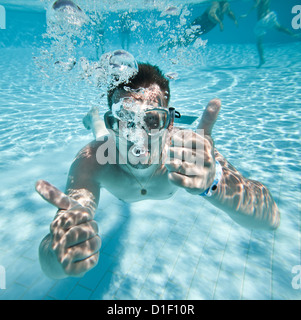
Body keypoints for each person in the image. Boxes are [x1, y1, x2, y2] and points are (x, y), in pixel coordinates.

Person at [36, 63, 280, 279]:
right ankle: (96, 119)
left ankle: (100, 119)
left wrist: (215, 183)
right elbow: (52, 260)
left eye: (152, 120)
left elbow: (271, 219)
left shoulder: (190, 153)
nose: (138, 138)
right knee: (99, 137)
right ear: (114, 125)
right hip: (105, 144)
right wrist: (57, 254)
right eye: (124, 120)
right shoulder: (92, 160)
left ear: (169, 123)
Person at [159, 1, 238, 51]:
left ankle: (169, 45)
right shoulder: (216, 4)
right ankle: (167, 45)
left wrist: (234, 20)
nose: (228, 7)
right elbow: (211, 14)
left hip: (202, 28)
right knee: (185, 40)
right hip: (197, 25)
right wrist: (220, 22)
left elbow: (229, 13)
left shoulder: (225, 7)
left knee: (186, 42)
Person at [242, 0, 298, 68]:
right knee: (279, 28)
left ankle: (262, 59)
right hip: (269, 16)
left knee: (259, 42)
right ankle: (292, 35)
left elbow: (256, 4)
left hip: (262, 20)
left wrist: (247, 13)